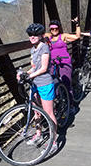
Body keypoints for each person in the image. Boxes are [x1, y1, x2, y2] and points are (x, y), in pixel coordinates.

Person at [20, 23, 57, 153]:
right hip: (35, 84)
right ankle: (38, 134)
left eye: (35, 35)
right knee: (37, 111)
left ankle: (53, 142)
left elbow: (44, 68)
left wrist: (31, 76)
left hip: (45, 84)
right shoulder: (33, 49)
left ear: (41, 35)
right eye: (30, 35)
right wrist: (25, 74)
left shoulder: (44, 48)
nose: (32, 37)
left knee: (49, 113)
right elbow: (35, 67)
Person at [44, 17, 80, 112]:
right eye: (52, 29)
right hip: (53, 63)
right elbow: (37, 36)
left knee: (66, 84)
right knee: (53, 83)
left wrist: (77, 25)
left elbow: (77, 36)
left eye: (56, 28)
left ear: (59, 28)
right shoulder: (48, 36)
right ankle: (60, 103)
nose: (54, 30)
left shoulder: (63, 36)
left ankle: (71, 105)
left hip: (64, 63)